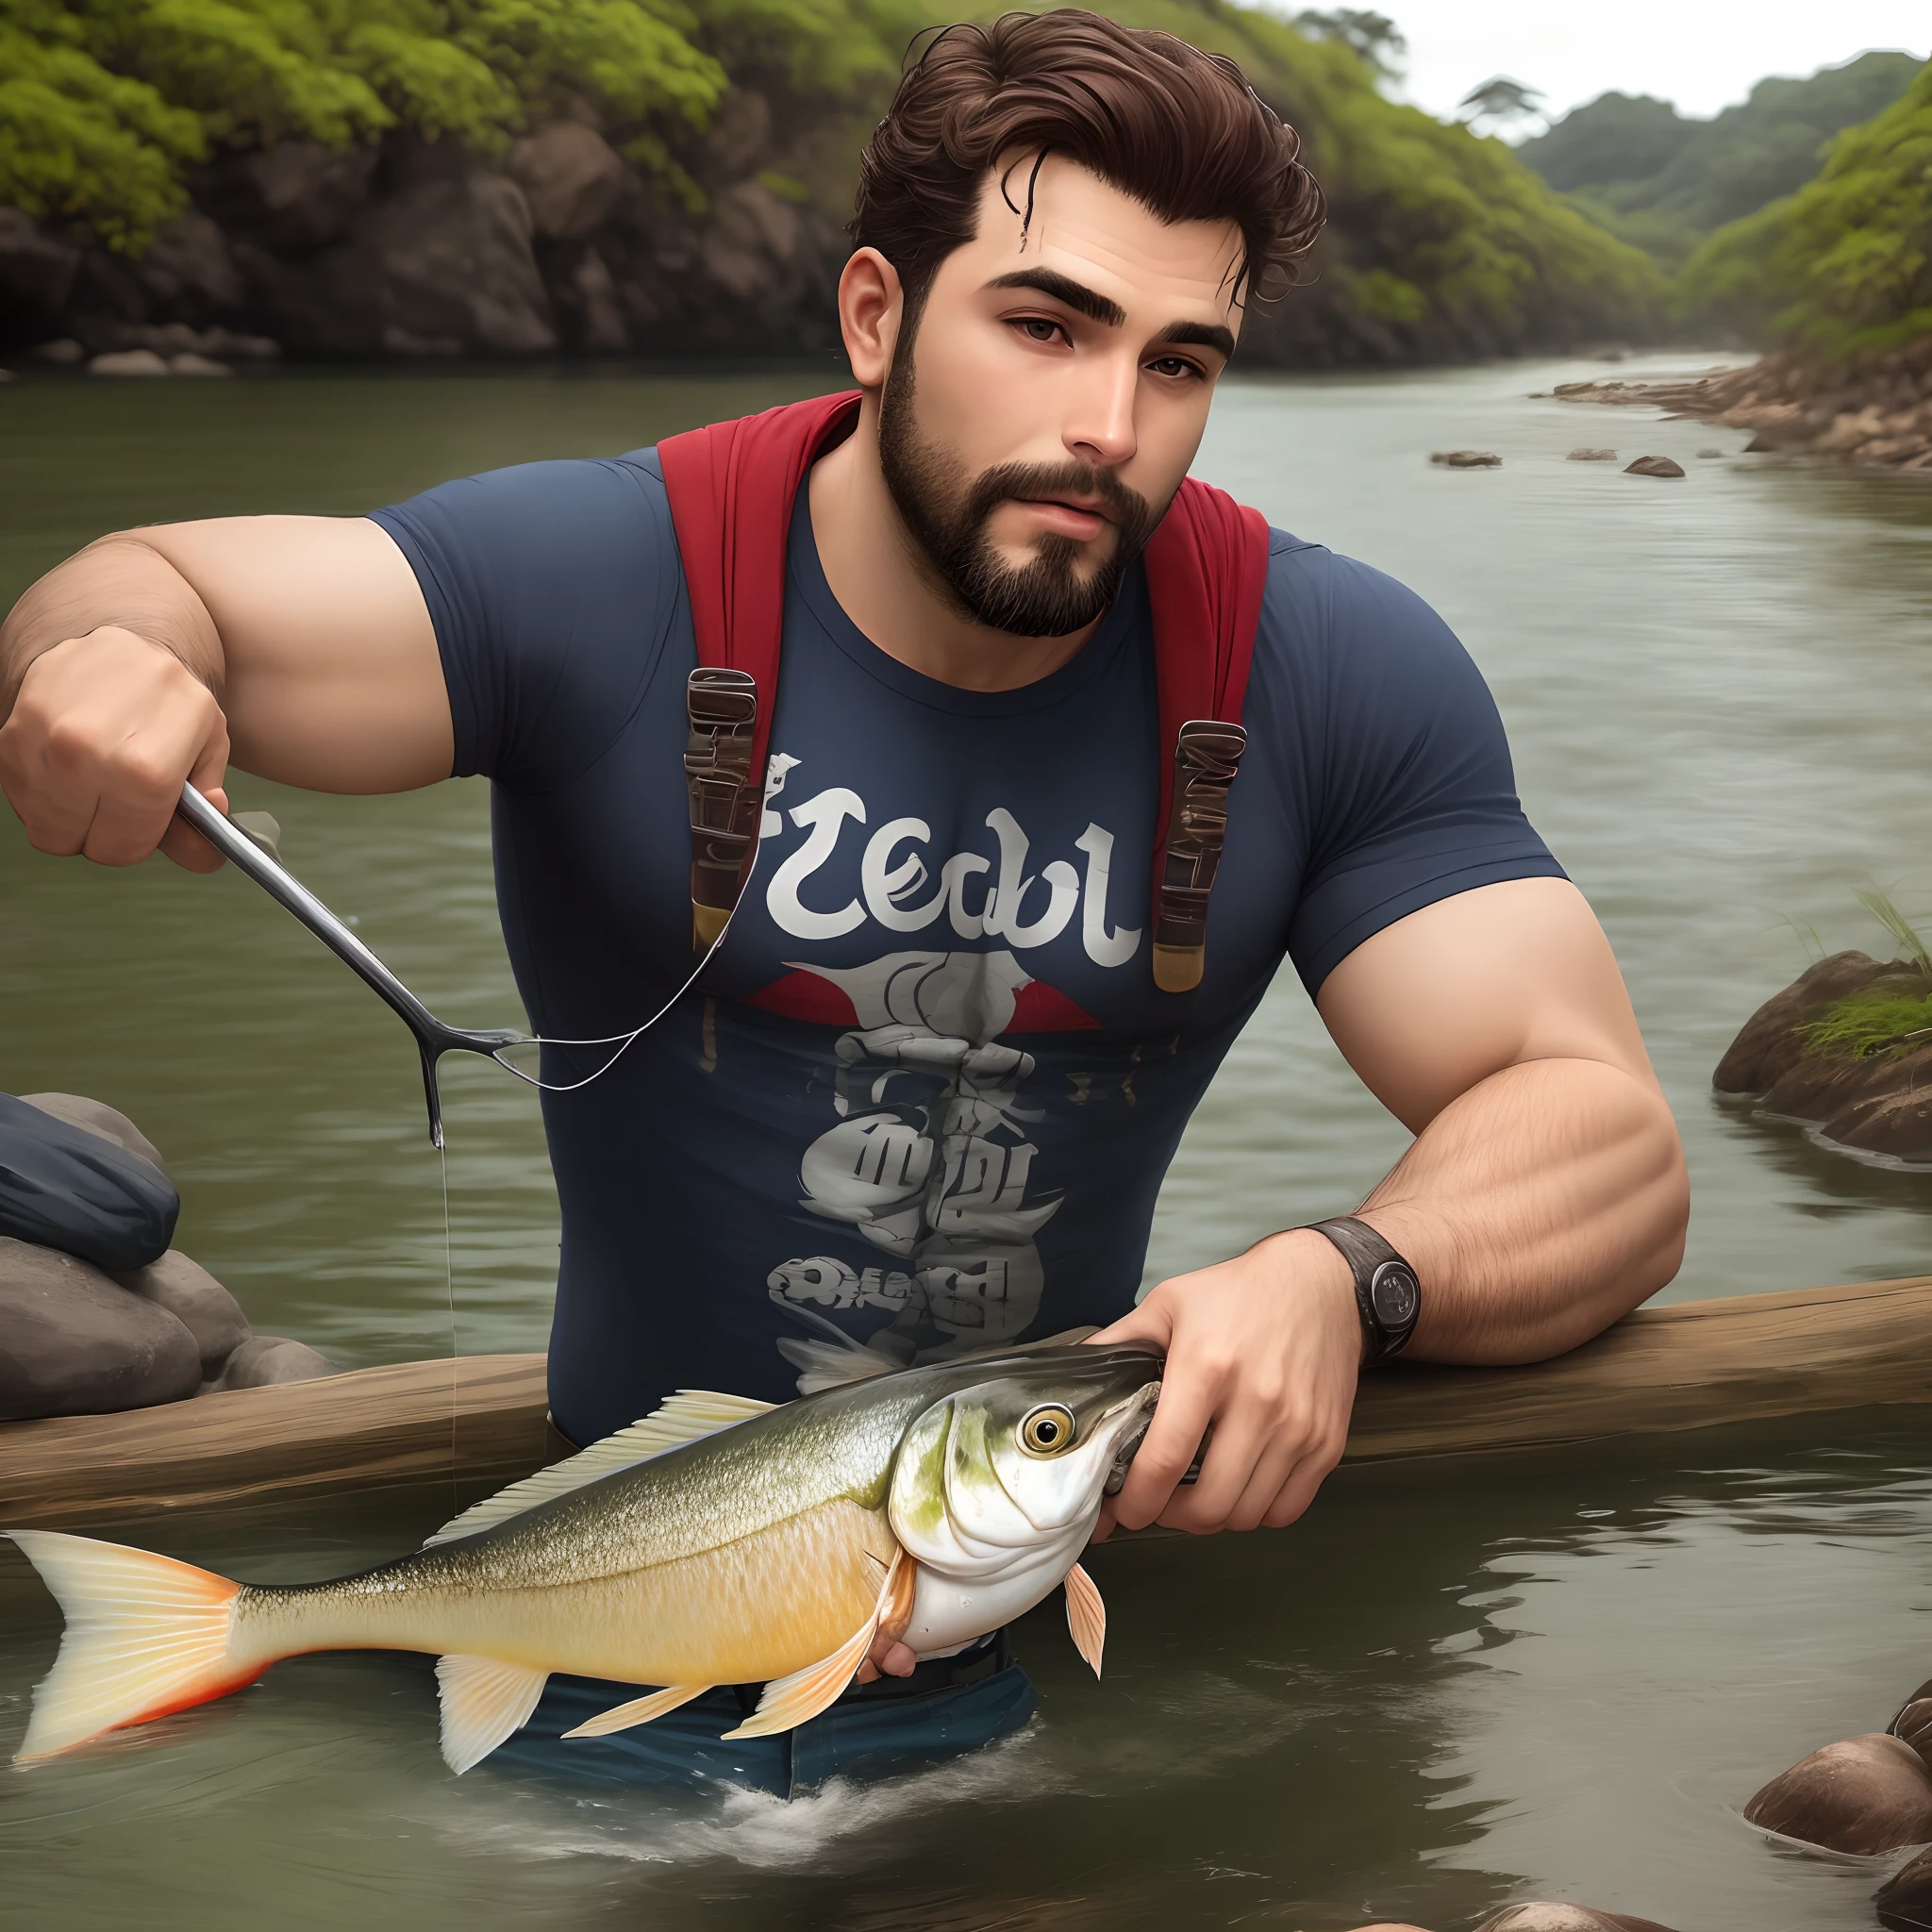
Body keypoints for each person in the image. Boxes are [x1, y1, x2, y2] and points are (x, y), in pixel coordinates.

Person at [0, 11, 1687, 1792]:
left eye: (1181, 361)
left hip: (1049, 1602)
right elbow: (152, 580)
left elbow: (1607, 1143)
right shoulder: (613, 577)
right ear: (876, 315)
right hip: (605, 1632)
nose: (1109, 427)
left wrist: (1347, 1278)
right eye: (1044, 327)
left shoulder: (1334, 671)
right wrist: (100, 662)